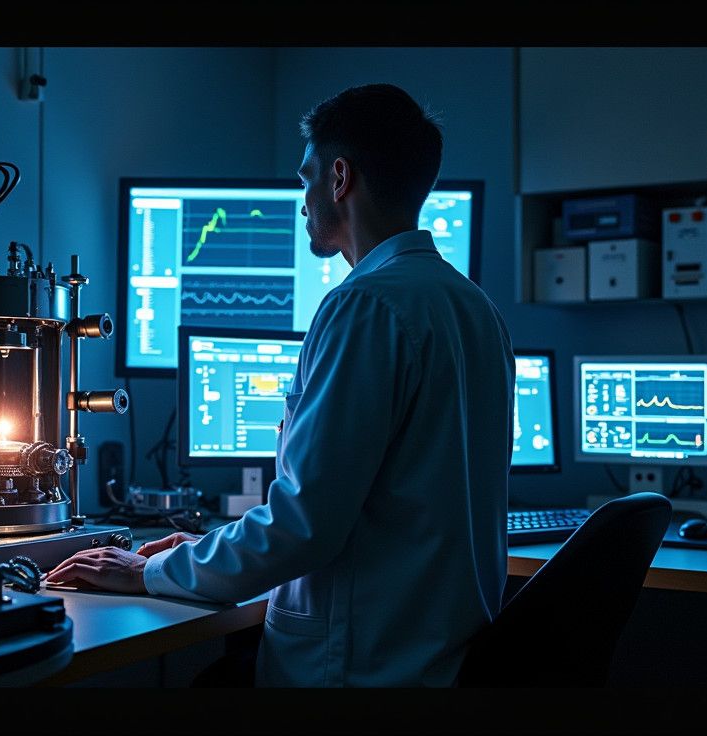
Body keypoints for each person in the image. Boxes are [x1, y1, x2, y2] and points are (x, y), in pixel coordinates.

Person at [47, 83, 515, 687]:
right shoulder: (475, 308)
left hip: (360, 669)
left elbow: (304, 527)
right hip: (436, 659)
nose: (302, 201)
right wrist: (196, 551)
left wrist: (149, 574)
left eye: (305, 179)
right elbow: (386, 506)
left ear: (339, 178)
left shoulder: (365, 307)